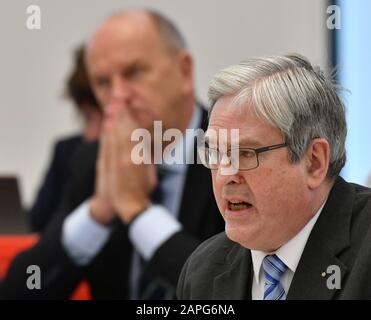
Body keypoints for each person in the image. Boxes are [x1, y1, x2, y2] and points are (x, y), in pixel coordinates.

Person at [0, 9, 224, 299]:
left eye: (134, 72)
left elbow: (227, 291)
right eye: (103, 83)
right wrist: (96, 213)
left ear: (184, 71)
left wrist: (137, 211)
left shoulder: (233, 153)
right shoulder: (92, 162)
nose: (118, 96)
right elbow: (18, 292)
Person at [177, 54, 371, 300]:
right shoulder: (204, 271)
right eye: (215, 153)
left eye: (245, 153)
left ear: (314, 161)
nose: (225, 175)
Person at [28, 45, 103, 232]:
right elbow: (37, 223)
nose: (91, 134)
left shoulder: (146, 154)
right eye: (86, 117)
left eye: (102, 117)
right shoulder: (67, 151)